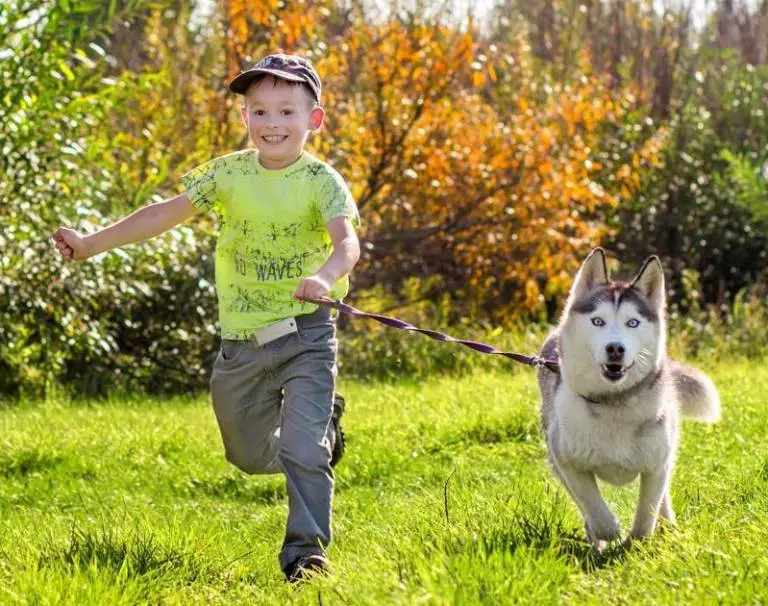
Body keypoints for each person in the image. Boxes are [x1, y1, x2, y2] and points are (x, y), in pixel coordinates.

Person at [52, 53, 360, 582]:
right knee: (245, 454)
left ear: (314, 119)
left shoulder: (320, 181)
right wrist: (90, 244)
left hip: (307, 333)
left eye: (286, 112)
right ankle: (323, 439)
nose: (271, 124)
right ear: (245, 118)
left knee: (302, 450)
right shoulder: (228, 173)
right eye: (259, 111)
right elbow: (160, 214)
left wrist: (326, 277)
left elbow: (347, 241)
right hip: (242, 340)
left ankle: (305, 554)